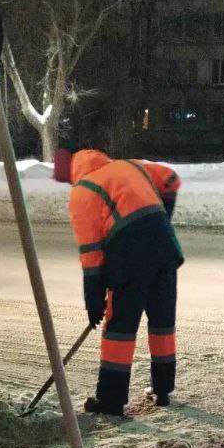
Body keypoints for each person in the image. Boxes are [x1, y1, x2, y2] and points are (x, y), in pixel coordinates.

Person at [53, 146, 183, 417]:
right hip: (165, 249)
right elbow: (170, 179)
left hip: (130, 259)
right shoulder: (129, 165)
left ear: (71, 173)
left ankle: (111, 402)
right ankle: (162, 390)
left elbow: (92, 255)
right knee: (162, 322)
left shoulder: (83, 192)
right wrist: (161, 220)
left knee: (119, 330)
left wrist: (93, 300)